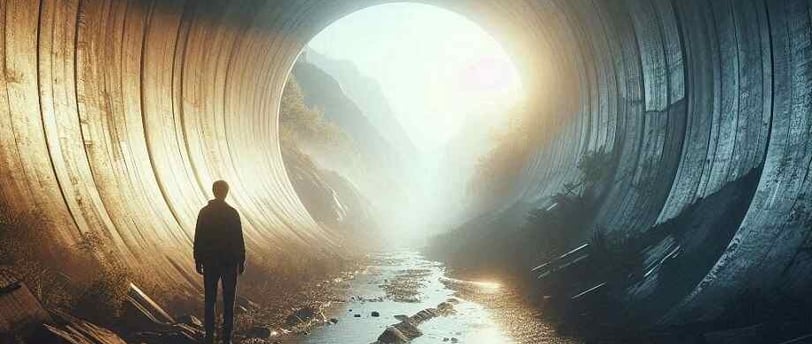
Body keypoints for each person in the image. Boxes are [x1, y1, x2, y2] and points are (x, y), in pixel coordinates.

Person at [194, 180, 245, 344]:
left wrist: (198, 259)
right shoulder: (232, 213)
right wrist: (241, 260)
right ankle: (226, 339)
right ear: (226, 193)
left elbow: (198, 236)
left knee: (210, 300)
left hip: (210, 261)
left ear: (214, 191)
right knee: (229, 300)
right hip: (229, 262)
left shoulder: (204, 212)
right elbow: (239, 238)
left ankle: (209, 337)